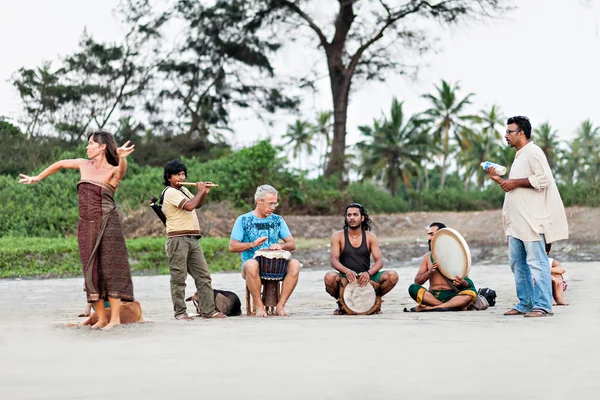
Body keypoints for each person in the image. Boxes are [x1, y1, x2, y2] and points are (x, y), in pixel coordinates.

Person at [19, 130, 135, 330]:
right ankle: (101, 318)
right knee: (91, 269)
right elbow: (61, 163)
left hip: (108, 223)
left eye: (91, 143)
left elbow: (121, 171)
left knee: (111, 267)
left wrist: (122, 158)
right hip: (86, 224)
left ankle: (114, 318)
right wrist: (38, 177)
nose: (87, 147)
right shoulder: (84, 164)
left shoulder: (113, 169)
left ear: (102, 146)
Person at [486, 115, 568, 317]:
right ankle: (526, 302)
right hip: (516, 223)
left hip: (532, 221)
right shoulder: (520, 155)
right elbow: (513, 187)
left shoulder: (533, 151)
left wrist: (514, 182)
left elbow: (543, 180)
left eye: (509, 132)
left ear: (521, 133)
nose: (505, 136)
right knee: (517, 263)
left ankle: (543, 305)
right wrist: (498, 179)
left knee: (537, 263)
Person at [161, 160, 226, 320]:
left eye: (183, 174)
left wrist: (204, 193)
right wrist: (200, 191)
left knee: (203, 276)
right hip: (177, 239)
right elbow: (189, 206)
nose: (181, 177)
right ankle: (180, 312)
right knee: (178, 278)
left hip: (192, 239)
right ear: (169, 177)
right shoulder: (170, 192)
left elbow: (198, 205)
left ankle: (208, 311)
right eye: (178, 174)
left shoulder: (182, 190)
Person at [229, 184, 300, 317]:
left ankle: (280, 305)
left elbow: (292, 243)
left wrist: (281, 246)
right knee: (251, 264)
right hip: (252, 267)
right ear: (259, 201)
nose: (272, 207)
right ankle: (259, 306)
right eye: (269, 204)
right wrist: (252, 244)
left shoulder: (278, 220)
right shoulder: (243, 220)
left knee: (295, 264)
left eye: (275, 204)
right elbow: (232, 246)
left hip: (276, 266)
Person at [324, 203, 399, 314]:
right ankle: (342, 303)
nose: (352, 218)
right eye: (349, 215)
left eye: (355, 215)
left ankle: (373, 301)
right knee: (329, 277)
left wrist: (368, 273)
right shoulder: (338, 236)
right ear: (346, 218)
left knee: (392, 276)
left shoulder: (370, 236)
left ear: (362, 218)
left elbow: (379, 261)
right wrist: (347, 271)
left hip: (366, 277)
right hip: (346, 277)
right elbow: (334, 260)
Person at [407, 222, 477, 312]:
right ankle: (448, 306)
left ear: (441, 236)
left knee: (471, 293)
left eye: (432, 234)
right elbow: (417, 281)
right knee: (413, 288)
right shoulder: (427, 257)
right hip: (433, 296)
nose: (429, 238)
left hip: (452, 296)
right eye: (428, 235)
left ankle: (433, 307)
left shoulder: (455, 255)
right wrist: (429, 272)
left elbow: (468, 284)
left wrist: (461, 282)